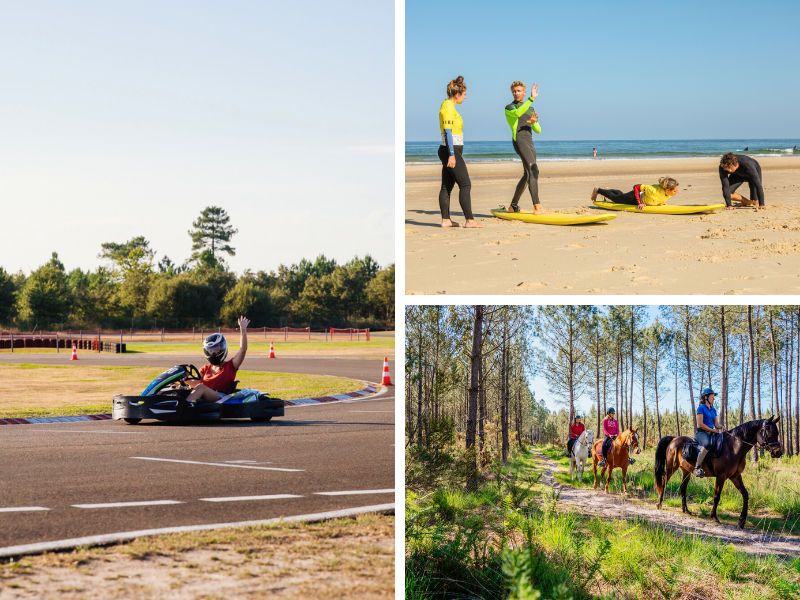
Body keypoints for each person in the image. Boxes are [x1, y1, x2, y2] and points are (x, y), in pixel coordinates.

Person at [437, 76, 484, 228]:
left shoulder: (448, 106)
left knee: (446, 186)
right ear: (457, 95)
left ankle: (446, 220)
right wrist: (452, 155)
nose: (465, 96)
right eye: (464, 94)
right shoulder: (448, 109)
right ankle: (470, 220)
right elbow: (448, 133)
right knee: (465, 184)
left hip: (449, 150)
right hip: (451, 151)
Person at [504, 81, 550, 215]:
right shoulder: (510, 107)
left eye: (518, 91)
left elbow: (538, 130)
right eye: (514, 91)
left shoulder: (530, 109)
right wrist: (531, 99)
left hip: (530, 142)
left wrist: (534, 123)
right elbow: (518, 113)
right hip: (519, 141)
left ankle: (513, 206)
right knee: (533, 171)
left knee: (528, 174)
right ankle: (537, 207)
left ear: (523, 91)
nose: (516, 93)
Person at [186, 315, 250, 406]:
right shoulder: (205, 368)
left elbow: (243, 350)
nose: (213, 352)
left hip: (221, 398)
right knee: (180, 388)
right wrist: (185, 378)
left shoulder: (231, 366)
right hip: (205, 395)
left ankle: (184, 407)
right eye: (210, 350)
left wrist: (243, 328)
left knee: (200, 387)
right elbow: (194, 383)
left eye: (216, 349)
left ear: (222, 348)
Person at [693, 387, 726, 478]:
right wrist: (713, 430)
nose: (714, 398)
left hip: (711, 432)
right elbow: (701, 424)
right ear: (705, 397)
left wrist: (722, 427)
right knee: (707, 444)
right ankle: (697, 468)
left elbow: (716, 424)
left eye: (713, 397)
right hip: (701, 433)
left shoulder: (713, 409)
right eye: (712, 396)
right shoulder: (701, 408)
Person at [591, 177, 680, 209]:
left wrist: (661, 202)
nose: (676, 192)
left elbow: (659, 197)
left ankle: (608, 190)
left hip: (638, 198)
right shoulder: (653, 190)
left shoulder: (667, 193)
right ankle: (597, 190)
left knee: (621, 195)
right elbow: (636, 187)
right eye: (675, 191)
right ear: (667, 190)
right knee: (616, 199)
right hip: (634, 197)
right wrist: (639, 203)